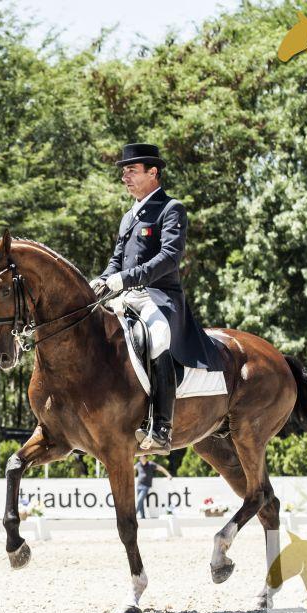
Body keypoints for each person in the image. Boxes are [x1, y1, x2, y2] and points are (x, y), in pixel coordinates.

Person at [90, 143, 225, 454]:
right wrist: (102, 279)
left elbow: (168, 258)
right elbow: (117, 259)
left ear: (153, 172)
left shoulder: (171, 209)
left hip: (159, 296)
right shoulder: (129, 216)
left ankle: (161, 426)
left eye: (131, 171)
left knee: (159, 336)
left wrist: (124, 278)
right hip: (125, 296)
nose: (125, 177)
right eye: (123, 171)